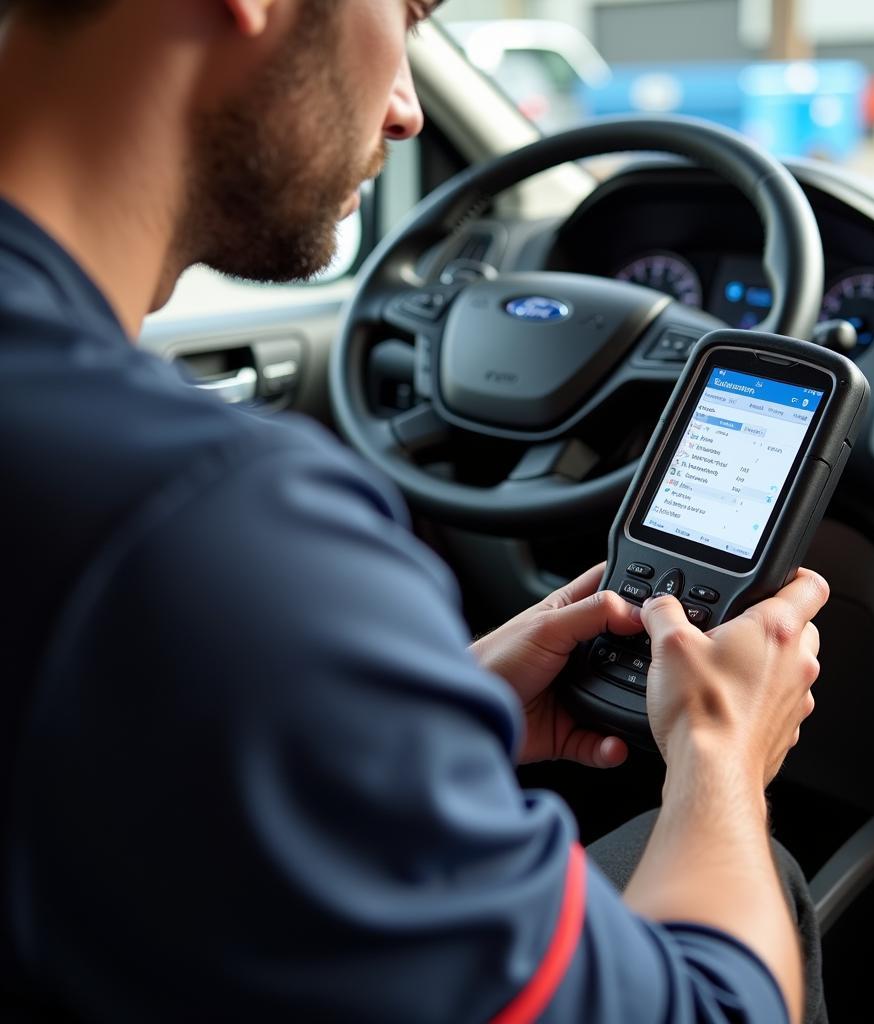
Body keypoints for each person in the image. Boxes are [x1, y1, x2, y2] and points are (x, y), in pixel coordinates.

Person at [0, 1, 829, 1021]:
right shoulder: (214, 528)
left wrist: (401, 712)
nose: (404, 112)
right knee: (767, 873)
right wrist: (720, 752)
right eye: (406, 12)